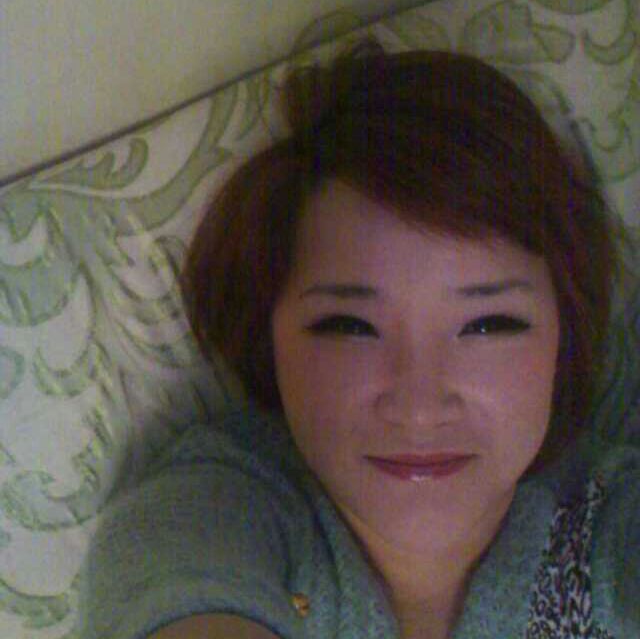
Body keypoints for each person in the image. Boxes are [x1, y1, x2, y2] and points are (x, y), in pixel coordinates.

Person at [79, 40, 640, 638]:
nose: (419, 408)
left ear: (565, 335)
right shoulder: (221, 511)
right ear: (269, 338)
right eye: (349, 326)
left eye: (488, 324)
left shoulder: (605, 528)